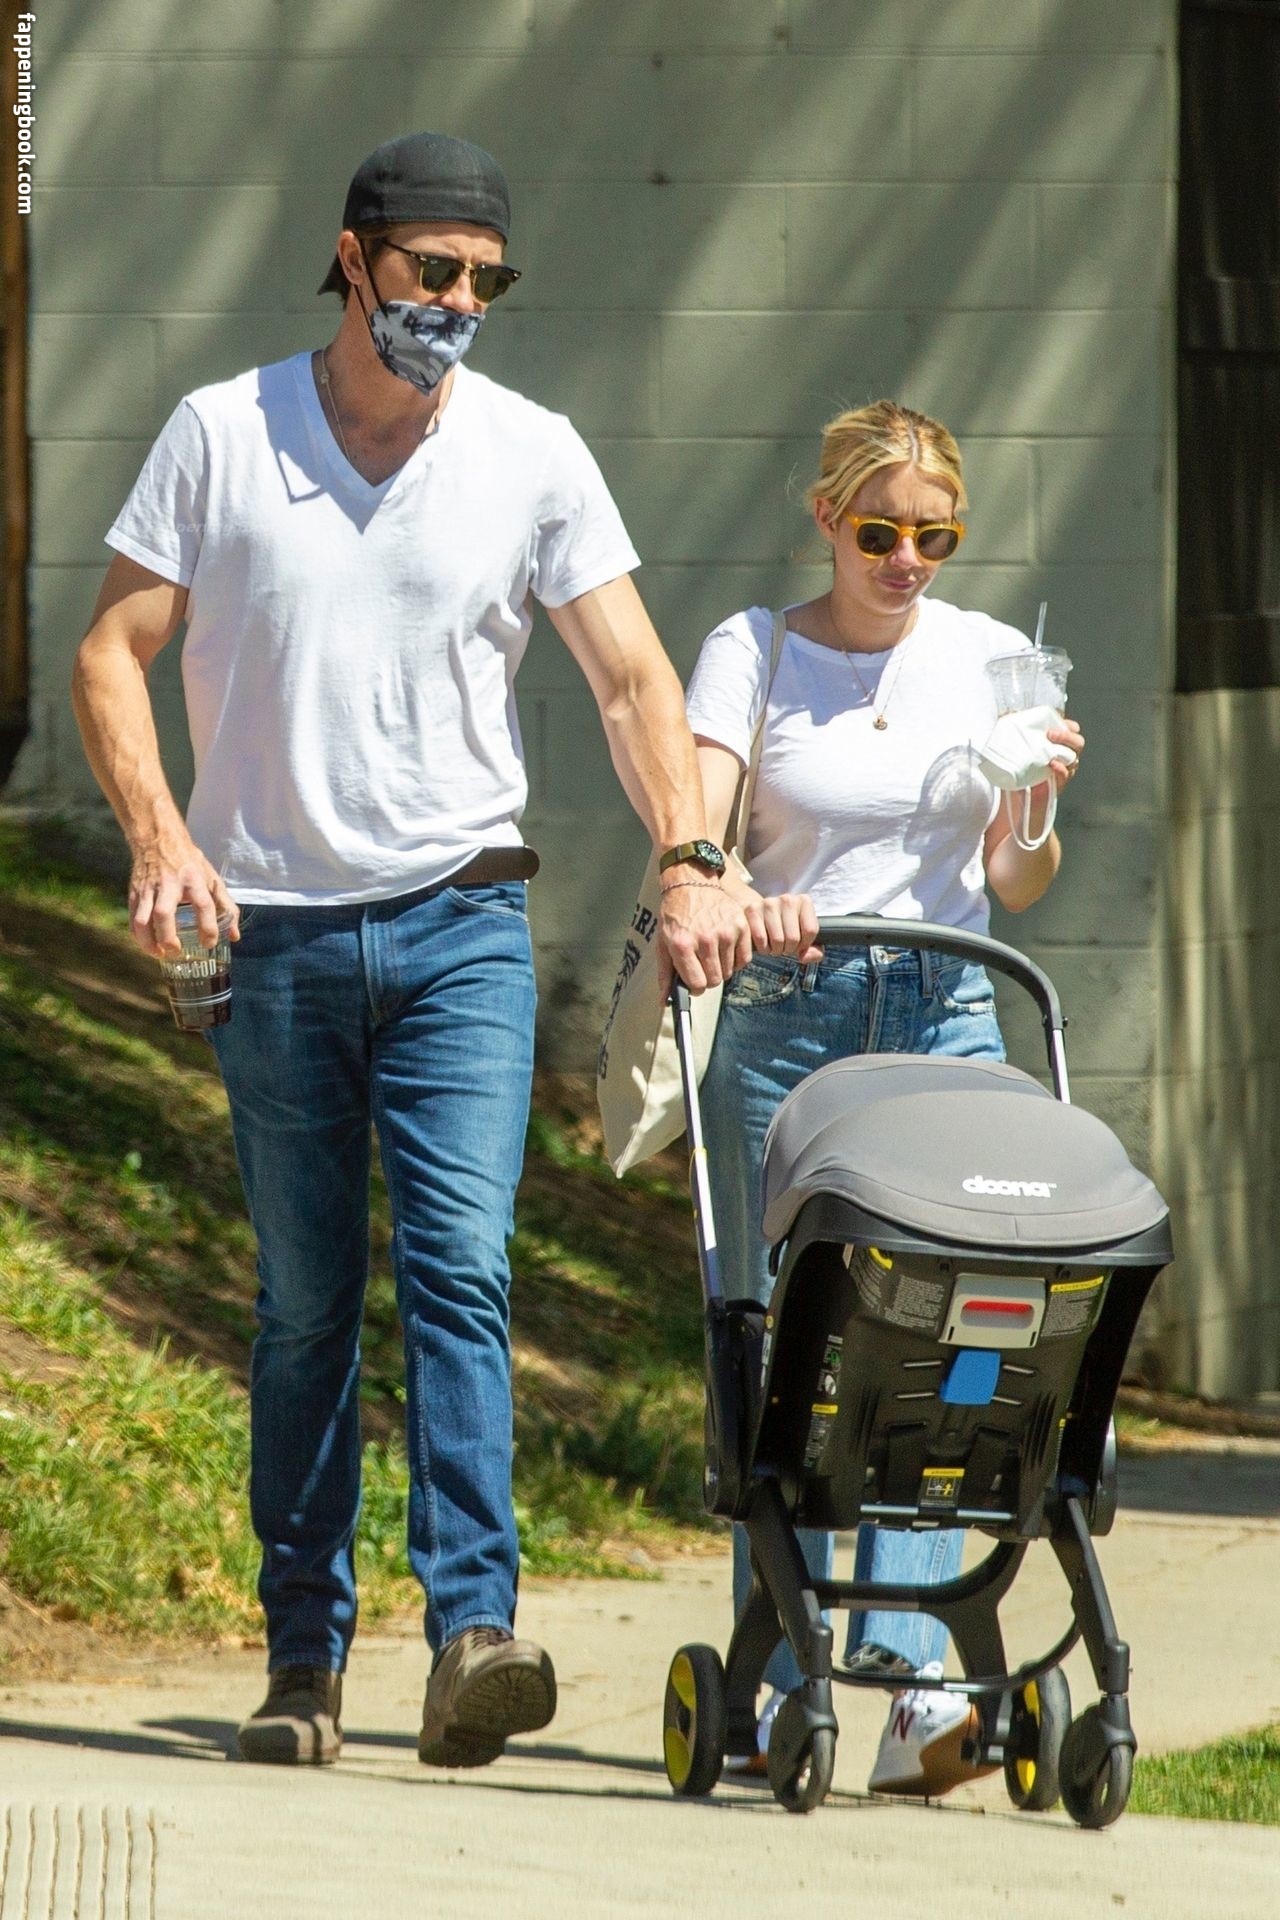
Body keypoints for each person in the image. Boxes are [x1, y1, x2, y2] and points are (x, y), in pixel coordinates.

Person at [72, 131, 746, 1770]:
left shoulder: (532, 452)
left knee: (462, 1266)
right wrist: (160, 837)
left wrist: (688, 854)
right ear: (353, 257)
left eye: (484, 281)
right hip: (273, 935)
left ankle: (472, 1636)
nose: (456, 302)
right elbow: (111, 648)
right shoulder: (223, 432)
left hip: (462, 925)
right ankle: (303, 1657)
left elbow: (633, 682)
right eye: (431, 270)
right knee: (309, 1304)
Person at [683, 398, 1085, 1796]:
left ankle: (913, 1692)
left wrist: (1032, 799)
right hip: (787, 1019)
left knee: (947, 1333)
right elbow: (706, 828)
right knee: (781, 1347)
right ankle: (778, 1677)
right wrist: (738, 889)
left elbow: (1016, 884)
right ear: (826, 519)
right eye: (879, 533)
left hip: (946, 1010)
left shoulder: (987, 657)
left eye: (935, 537)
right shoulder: (753, 650)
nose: (907, 560)